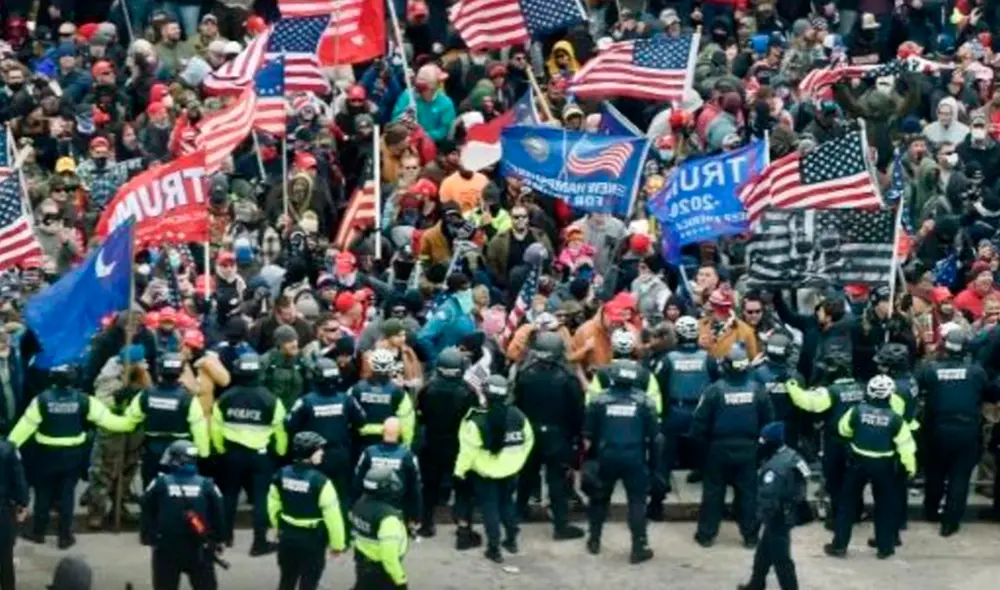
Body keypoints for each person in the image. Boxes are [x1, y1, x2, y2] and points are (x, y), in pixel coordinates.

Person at [8, 364, 131, 549]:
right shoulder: (84, 401)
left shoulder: (41, 400)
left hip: (46, 456)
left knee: (43, 495)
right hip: (73, 457)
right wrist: (132, 416)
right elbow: (114, 423)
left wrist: (7, 448)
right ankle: (65, 537)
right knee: (67, 495)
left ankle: (38, 532)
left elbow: (22, 430)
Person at [824, 375, 917, 559]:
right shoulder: (896, 420)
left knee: (847, 505)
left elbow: (844, 430)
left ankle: (839, 546)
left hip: (858, 463)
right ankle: (885, 547)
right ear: (890, 395)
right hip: (884, 466)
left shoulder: (856, 411)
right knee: (884, 506)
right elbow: (907, 447)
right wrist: (910, 468)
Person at [691, 345, 774, 548]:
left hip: (718, 448)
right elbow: (769, 422)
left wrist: (702, 451)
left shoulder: (714, 391)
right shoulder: (757, 390)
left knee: (713, 493)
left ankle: (706, 535)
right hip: (748, 448)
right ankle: (751, 536)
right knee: (748, 494)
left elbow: (699, 424)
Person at [915, 328, 992, 536]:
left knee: (935, 473)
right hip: (966, 430)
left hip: (938, 430)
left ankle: (931, 511)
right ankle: (950, 522)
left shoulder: (931, 370)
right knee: (960, 477)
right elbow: (990, 392)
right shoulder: (976, 372)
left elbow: (917, 386)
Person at [211, 353, 288, 556]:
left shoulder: (225, 398)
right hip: (260, 456)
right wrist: (280, 452)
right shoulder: (271, 399)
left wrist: (220, 450)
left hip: (231, 454)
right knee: (261, 499)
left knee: (229, 496)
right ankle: (259, 543)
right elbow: (280, 430)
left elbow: (216, 428)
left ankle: (224, 537)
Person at [583, 359, 658, 563]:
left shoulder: (598, 401)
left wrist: (587, 461)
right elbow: (654, 436)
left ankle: (594, 540)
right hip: (635, 457)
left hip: (606, 456)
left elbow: (588, 435)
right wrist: (655, 466)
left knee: (599, 499)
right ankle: (638, 547)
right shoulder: (645, 402)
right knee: (637, 502)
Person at [512, 331, 586, 540]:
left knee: (527, 476)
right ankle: (560, 525)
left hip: (531, 432)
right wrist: (576, 436)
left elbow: (517, 405)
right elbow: (577, 410)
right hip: (557, 435)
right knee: (557, 481)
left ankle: (517, 514)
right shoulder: (567, 378)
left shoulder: (526, 374)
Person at [453, 375, 534, 563]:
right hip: (511, 470)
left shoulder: (476, 421)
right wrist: (517, 462)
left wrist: (459, 472)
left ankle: (494, 548)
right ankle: (512, 540)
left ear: (485, 394)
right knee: (507, 504)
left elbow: (467, 452)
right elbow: (529, 440)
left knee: (490, 509)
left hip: (485, 474)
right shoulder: (518, 416)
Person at [786, 348, 865, 527]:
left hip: (836, 443)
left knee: (836, 482)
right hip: (857, 443)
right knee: (854, 481)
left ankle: (838, 519)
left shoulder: (831, 392)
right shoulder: (861, 387)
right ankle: (856, 513)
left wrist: (791, 385)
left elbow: (807, 402)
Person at [649, 315, 717, 520]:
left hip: (675, 410)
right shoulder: (708, 358)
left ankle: (656, 505)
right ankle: (709, 507)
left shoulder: (667, 360)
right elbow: (717, 385)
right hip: (701, 411)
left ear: (677, 335)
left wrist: (660, 415)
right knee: (706, 455)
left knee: (664, 457)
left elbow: (657, 388)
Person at [284, 358, 366, 523]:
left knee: (315, 494)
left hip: (314, 455)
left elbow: (289, 423)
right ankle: (343, 535)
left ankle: (320, 531)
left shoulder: (306, 401)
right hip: (340, 453)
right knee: (341, 495)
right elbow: (361, 420)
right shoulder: (346, 399)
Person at [266, 431, 347, 590]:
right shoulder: (321, 482)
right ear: (310, 452)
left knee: (286, 580)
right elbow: (333, 517)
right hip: (312, 540)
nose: (322, 452)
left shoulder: (281, 474)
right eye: (319, 449)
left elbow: (273, 504)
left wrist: (278, 525)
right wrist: (337, 544)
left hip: (287, 536)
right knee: (309, 582)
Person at [140, 440, 225, 590]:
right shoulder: (207, 484)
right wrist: (218, 539)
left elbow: (146, 509)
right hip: (200, 545)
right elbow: (219, 513)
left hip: (166, 546)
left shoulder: (160, 483)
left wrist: (148, 537)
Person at [738, 422, 810, 590]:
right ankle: (756, 584)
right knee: (764, 552)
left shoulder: (775, 467)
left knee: (782, 559)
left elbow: (768, 498)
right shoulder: (793, 455)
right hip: (790, 510)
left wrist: (758, 519)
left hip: (778, 516)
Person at [414, 346, 477, 537]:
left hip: (432, 443)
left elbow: (421, 416)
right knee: (462, 487)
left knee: (429, 487)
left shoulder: (427, 390)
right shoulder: (468, 391)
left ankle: (426, 524)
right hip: (459, 445)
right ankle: (463, 526)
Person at [123, 352, 211, 488]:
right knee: (178, 487)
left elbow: (128, 421)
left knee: (150, 486)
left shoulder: (145, 394)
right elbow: (199, 428)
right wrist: (204, 453)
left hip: (152, 449)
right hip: (181, 450)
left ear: (159, 370)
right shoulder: (188, 398)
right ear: (181, 372)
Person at [352, 418, 423, 527]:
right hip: (397, 510)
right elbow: (415, 489)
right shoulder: (407, 456)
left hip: (370, 509)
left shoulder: (369, 452)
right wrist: (415, 516)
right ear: (400, 432)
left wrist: (354, 507)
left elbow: (357, 482)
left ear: (382, 431)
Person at [349, 467, 410, 590]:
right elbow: (389, 556)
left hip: (362, 562)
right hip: (382, 571)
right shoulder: (388, 518)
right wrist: (400, 580)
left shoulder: (358, 505)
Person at [349, 348, 415, 449]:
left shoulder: (356, 389)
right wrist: (406, 445)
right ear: (391, 366)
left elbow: (347, 416)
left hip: (360, 441)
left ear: (371, 365)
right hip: (390, 442)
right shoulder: (399, 392)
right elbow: (407, 421)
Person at [0, 437, 27, 590]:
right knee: (5, 558)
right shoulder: (8, 449)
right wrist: (22, 503)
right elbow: (19, 480)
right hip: (2, 510)